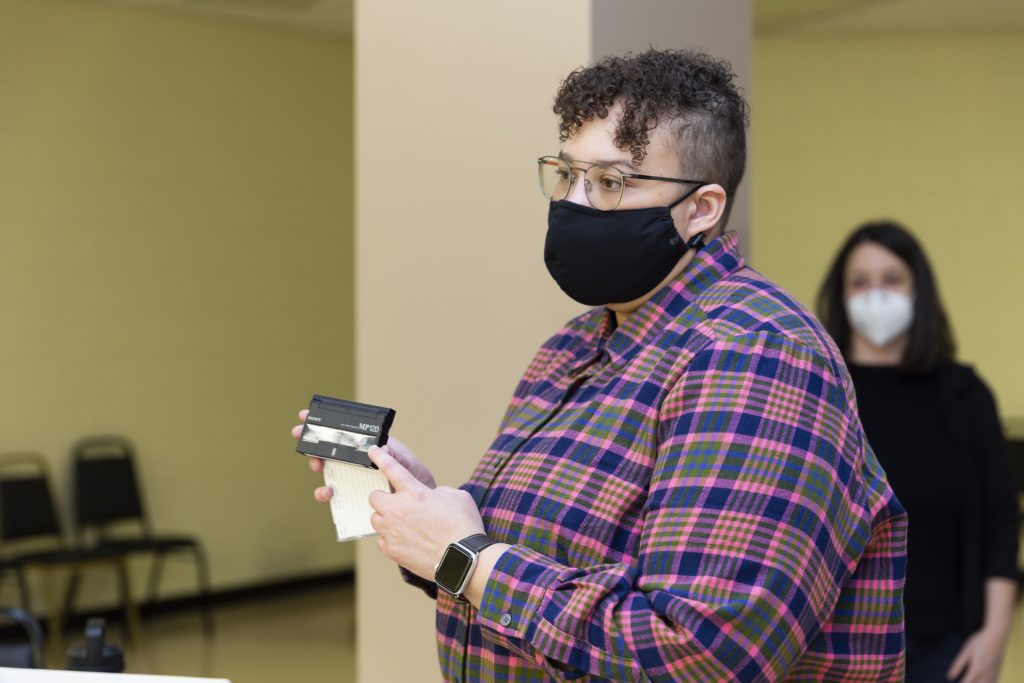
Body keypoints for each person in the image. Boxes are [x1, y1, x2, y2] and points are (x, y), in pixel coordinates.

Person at [297, 49, 907, 681]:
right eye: (566, 174)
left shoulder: (754, 351)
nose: (576, 202)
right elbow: (527, 569)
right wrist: (426, 511)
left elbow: (703, 654)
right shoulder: (573, 347)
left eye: (611, 183)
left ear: (701, 209)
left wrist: (466, 560)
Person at [817, 221, 1018, 683]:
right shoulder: (821, 391)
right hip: (833, 650)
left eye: (892, 280)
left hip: (948, 647)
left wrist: (995, 635)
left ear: (917, 289)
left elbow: (1000, 521)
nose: (876, 294)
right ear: (841, 295)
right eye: (860, 282)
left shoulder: (965, 394)